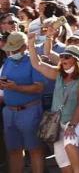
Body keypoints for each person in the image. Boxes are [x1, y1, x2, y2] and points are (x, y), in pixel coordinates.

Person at [28, 39, 79, 173]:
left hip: (78, 119)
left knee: (70, 143)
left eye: (67, 57)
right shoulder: (58, 73)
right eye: (62, 56)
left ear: (76, 60)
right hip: (58, 121)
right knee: (62, 160)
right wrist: (30, 42)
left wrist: (72, 125)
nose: (62, 59)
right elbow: (37, 63)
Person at [1, 32, 45, 173]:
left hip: (30, 111)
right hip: (10, 112)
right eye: (11, 49)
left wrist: (16, 87)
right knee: (14, 150)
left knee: (35, 150)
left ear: (25, 46)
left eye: (15, 49)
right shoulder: (8, 61)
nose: (12, 52)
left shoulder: (33, 61)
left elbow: (39, 87)